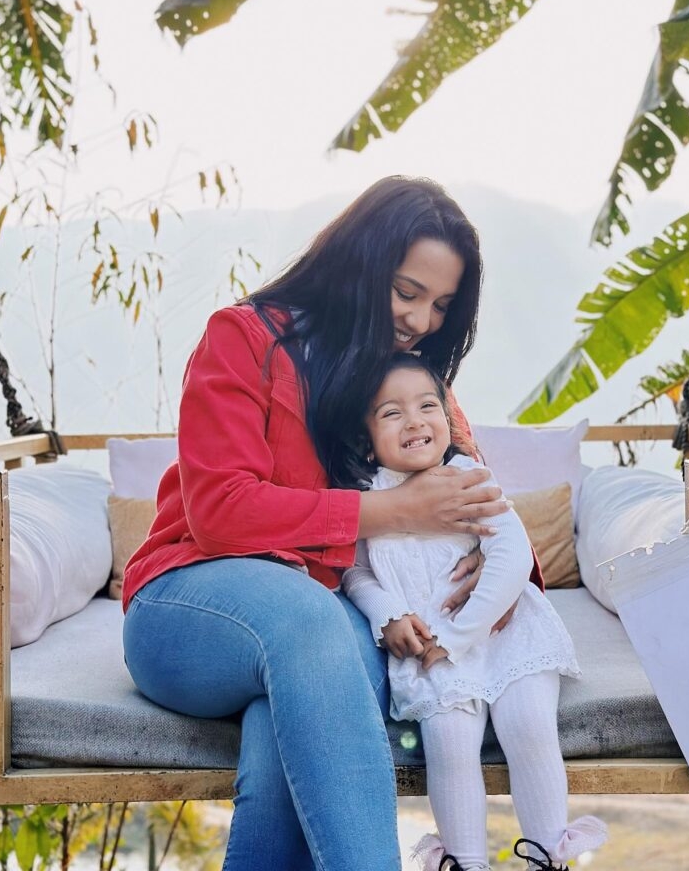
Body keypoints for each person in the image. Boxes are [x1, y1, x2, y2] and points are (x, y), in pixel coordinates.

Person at [120, 175, 513, 871]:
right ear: (358, 262)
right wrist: (395, 510)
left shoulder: (409, 379)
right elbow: (218, 512)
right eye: (406, 292)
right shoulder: (242, 339)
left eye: (441, 306)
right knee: (309, 621)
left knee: (286, 746)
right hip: (188, 606)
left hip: (331, 627)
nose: (422, 322)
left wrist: (483, 550)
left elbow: (478, 494)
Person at [341, 353, 608, 871]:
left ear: (447, 417)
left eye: (427, 406)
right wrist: (387, 613)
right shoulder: (366, 497)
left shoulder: (467, 474)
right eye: (391, 413)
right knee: (449, 741)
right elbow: (356, 572)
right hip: (429, 648)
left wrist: (462, 636)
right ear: (365, 435)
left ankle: (548, 856)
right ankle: (465, 863)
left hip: (504, 633)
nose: (415, 420)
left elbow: (510, 556)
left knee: (529, 722)